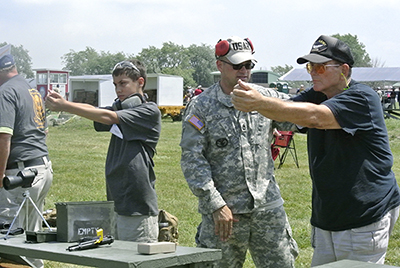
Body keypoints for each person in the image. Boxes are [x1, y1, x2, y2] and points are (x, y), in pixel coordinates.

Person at [231, 35, 400, 266]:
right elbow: (288, 109)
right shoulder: (318, 94)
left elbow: (315, 117)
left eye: (320, 67)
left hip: (362, 216)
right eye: (310, 66)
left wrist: (259, 103)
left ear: (344, 70)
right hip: (328, 216)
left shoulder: (362, 97)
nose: (312, 72)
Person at [180, 36, 298, 268]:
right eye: (237, 65)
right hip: (225, 213)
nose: (244, 71)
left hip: (267, 208)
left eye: (248, 65)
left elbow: (300, 115)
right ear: (220, 65)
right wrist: (215, 204)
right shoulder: (202, 105)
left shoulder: (266, 98)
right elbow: (193, 159)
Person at [46, 59, 161, 242]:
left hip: (136, 207)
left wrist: (65, 106)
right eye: (115, 85)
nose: (118, 90)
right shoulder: (122, 108)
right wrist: (65, 102)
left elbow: (108, 117)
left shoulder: (149, 111)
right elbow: (95, 110)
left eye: (123, 83)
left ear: (140, 82)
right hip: (117, 202)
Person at [0, 54, 53, 268]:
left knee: (9, 242)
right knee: (31, 238)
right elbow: (45, 129)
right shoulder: (30, 89)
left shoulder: (5, 92)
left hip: (19, 173)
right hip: (41, 167)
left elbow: (4, 137)